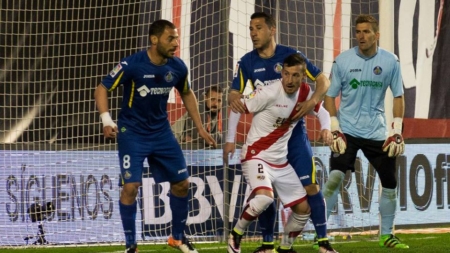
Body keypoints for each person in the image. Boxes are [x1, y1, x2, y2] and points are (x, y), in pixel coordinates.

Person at [94, 19, 216, 253]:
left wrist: (200, 127)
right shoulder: (132, 64)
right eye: (171, 38)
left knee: (182, 184)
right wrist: (107, 120)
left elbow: (187, 93)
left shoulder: (178, 67)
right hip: (133, 133)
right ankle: (131, 247)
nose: (176, 43)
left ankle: (177, 238)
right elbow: (101, 88)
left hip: (161, 132)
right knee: (131, 187)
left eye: (177, 38)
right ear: (154, 39)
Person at [224, 12, 336, 253]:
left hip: (293, 136)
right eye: (251, 28)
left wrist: (313, 101)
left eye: (258, 28)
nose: (253, 32)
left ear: (272, 30)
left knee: (310, 190)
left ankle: (321, 242)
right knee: (266, 195)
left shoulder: (291, 56)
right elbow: (235, 98)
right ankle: (265, 243)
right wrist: (230, 138)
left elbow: (323, 80)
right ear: (282, 74)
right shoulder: (247, 63)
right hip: (264, 138)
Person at [322, 14, 408, 249]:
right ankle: (320, 234)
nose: (361, 35)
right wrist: (334, 126)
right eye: (358, 31)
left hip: (377, 132)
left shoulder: (391, 61)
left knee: (390, 184)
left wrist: (398, 129)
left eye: (366, 31)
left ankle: (387, 235)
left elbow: (398, 95)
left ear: (376, 35)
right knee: (334, 179)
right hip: (347, 131)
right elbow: (329, 97)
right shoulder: (343, 61)